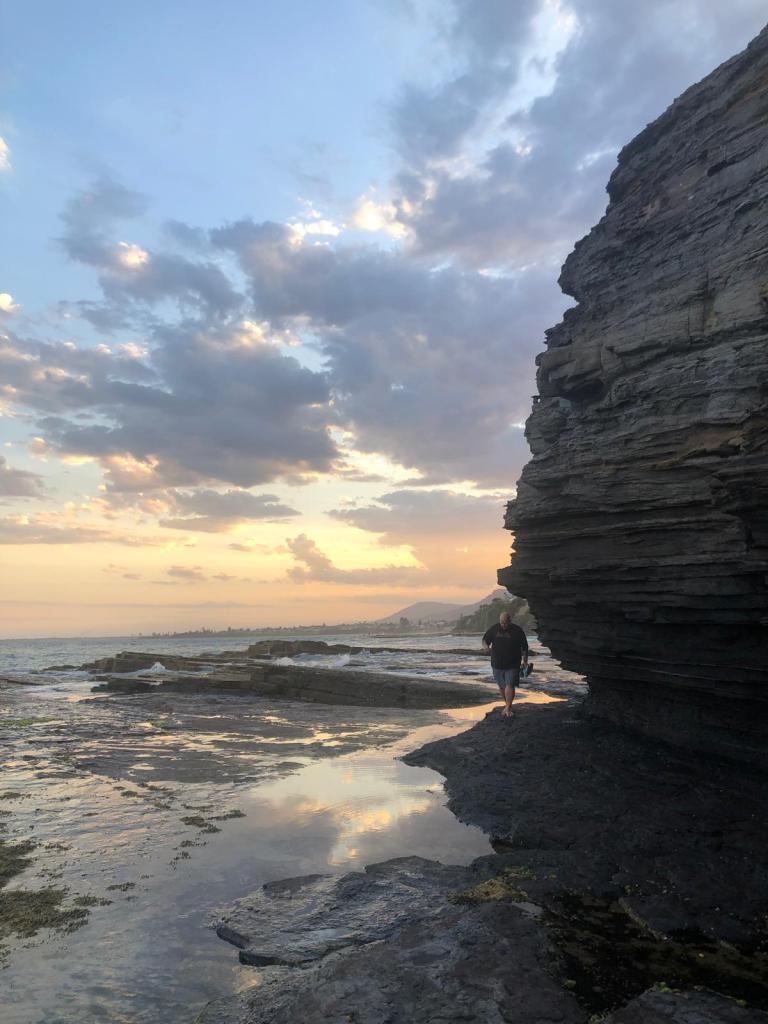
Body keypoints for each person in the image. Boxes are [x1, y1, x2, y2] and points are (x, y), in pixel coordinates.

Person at [482, 611, 528, 719]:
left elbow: (525, 647)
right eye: (501, 622)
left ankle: (508, 707)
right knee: (502, 686)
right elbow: (485, 640)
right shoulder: (494, 628)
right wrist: (486, 647)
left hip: (513, 664)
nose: (503, 625)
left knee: (510, 685)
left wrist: (525, 662)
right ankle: (508, 705)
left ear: (510, 621)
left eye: (505, 623)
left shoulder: (517, 631)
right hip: (496, 664)